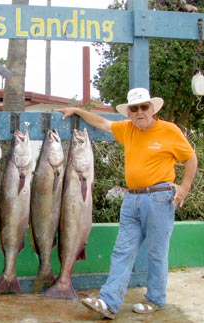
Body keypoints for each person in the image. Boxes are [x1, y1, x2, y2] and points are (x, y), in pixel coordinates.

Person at [58, 88, 197, 320]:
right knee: (122, 250)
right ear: (129, 113)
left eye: (144, 107)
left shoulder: (169, 130)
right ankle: (108, 302)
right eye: (135, 108)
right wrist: (77, 110)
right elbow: (102, 122)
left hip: (159, 198)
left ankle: (155, 299)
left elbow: (191, 158)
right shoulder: (126, 129)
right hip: (131, 199)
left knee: (156, 253)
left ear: (152, 109)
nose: (140, 112)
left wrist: (184, 188)